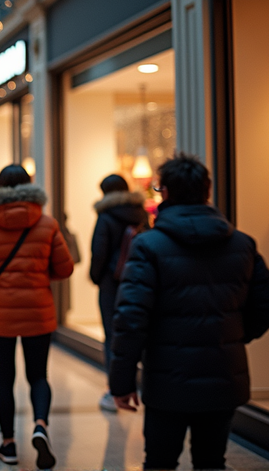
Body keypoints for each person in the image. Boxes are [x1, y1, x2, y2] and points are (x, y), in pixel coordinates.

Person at [109, 154, 269, 470]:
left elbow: (131, 318)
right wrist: (231, 335)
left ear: (166, 193)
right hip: (223, 375)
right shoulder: (242, 244)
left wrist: (121, 383)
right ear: (207, 191)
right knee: (212, 461)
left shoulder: (148, 246)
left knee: (160, 462)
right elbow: (268, 306)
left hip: (166, 379)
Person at [0, 164, 74, 469]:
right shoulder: (47, 223)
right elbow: (65, 268)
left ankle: (9, 444)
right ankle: (40, 425)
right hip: (38, 311)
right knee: (38, 375)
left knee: (4, 379)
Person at [88, 174, 148, 412]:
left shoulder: (106, 216)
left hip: (112, 283)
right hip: (139, 280)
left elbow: (99, 251)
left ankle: (115, 390)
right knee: (137, 330)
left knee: (112, 335)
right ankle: (138, 384)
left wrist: (96, 277)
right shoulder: (141, 213)